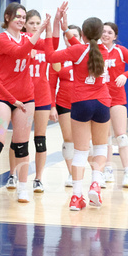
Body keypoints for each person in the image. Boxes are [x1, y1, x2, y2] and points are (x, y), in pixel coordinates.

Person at [0, 2, 53, 204]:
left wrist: (55, 25)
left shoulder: (29, 37)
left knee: (21, 145)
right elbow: (20, 52)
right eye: (18, 17)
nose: (21, 20)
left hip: (26, 98)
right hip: (3, 96)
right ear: (8, 17)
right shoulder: (2, 39)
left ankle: (22, 187)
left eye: (23, 17)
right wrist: (40, 31)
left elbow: (50, 48)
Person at [45, 13, 111, 211]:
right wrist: (66, 30)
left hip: (81, 103)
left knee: (80, 152)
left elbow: (51, 57)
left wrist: (53, 32)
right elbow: (85, 47)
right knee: (100, 149)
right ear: (100, 35)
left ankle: (76, 197)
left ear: (82, 33)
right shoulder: (104, 51)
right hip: (102, 102)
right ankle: (95, 184)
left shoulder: (75, 51)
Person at [5, 9, 58, 193]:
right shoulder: (23, 43)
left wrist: (53, 24)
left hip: (42, 95)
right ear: (25, 24)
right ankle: (13, 174)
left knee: (40, 138)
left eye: (38, 23)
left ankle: (38, 178)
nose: (35, 26)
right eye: (32, 23)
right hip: (23, 97)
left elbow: (54, 46)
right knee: (19, 139)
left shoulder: (42, 43)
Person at [101, 22, 128, 188]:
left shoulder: (121, 50)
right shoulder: (95, 50)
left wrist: (125, 75)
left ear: (115, 36)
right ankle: (108, 169)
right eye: (103, 31)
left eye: (109, 32)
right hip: (100, 98)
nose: (106, 34)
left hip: (117, 98)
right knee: (105, 137)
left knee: (121, 136)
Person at [49, 22, 83, 188]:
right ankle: (71, 173)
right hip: (64, 103)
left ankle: (98, 172)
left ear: (81, 37)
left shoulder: (85, 54)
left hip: (84, 102)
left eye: (75, 35)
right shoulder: (59, 57)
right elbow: (51, 83)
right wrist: (52, 106)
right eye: (68, 36)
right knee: (69, 139)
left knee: (84, 141)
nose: (71, 38)